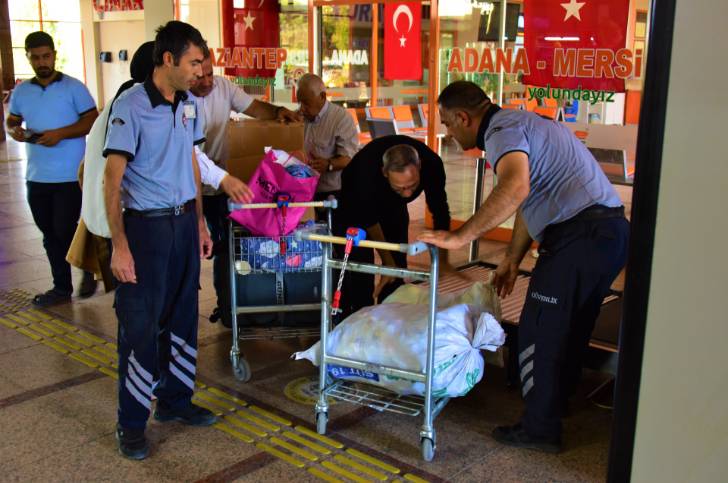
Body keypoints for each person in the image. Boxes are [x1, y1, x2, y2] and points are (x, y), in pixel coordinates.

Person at [419, 80, 629, 453]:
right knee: (571, 326)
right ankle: (556, 405)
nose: (447, 132)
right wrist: (512, 260)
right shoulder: (524, 123)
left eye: (447, 123)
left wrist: (459, 237)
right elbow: (529, 200)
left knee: (540, 329)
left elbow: (515, 188)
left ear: (463, 117)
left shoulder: (501, 131)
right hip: (607, 234)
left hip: (579, 236)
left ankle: (539, 428)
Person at [103, 21, 215, 460]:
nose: (199, 73)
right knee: (140, 327)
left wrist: (201, 224)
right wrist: (119, 244)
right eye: (193, 63)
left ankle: (175, 401)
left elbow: (192, 163)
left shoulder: (189, 105)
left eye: (201, 63)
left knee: (184, 315)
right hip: (146, 228)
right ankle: (130, 424)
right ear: (167, 60)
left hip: (184, 224)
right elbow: (112, 181)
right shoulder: (130, 105)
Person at [189, 50, 299, 325]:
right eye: (199, 77)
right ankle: (207, 308)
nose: (206, 82)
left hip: (225, 184)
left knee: (227, 245)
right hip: (189, 188)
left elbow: (254, 108)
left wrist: (278, 112)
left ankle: (230, 307)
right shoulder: (180, 98)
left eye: (209, 74)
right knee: (199, 248)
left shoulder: (224, 87)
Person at [6, 31, 99, 306]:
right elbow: (11, 120)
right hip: (37, 177)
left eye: (46, 56)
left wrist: (61, 134)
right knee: (49, 232)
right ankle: (61, 287)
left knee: (64, 229)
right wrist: (14, 131)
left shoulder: (73, 88)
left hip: (69, 175)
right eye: (35, 57)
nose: (41, 62)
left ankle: (87, 269)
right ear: (29, 58)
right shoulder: (22, 92)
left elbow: (91, 120)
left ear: (54, 55)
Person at [334, 135, 451, 317]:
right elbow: (367, 217)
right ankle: (356, 322)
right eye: (400, 188)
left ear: (419, 166)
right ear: (384, 172)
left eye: (412, 186)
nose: (407, 194)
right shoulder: (363, 172)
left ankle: (391, 320)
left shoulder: (432, 164)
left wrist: (443, 257)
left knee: (397, 269)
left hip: (392, 207)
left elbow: (440, 210)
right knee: (360, 271)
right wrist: (387, 263)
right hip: (353, 207)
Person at [295, 73, 359, 204]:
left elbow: (348, 159)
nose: (302, 108)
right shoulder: (298, 116)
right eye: (299, 102)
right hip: (301, 189)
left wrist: (329, 165)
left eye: (306, 103)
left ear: (322, 96)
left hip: (330, 192)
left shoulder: (341, 118)